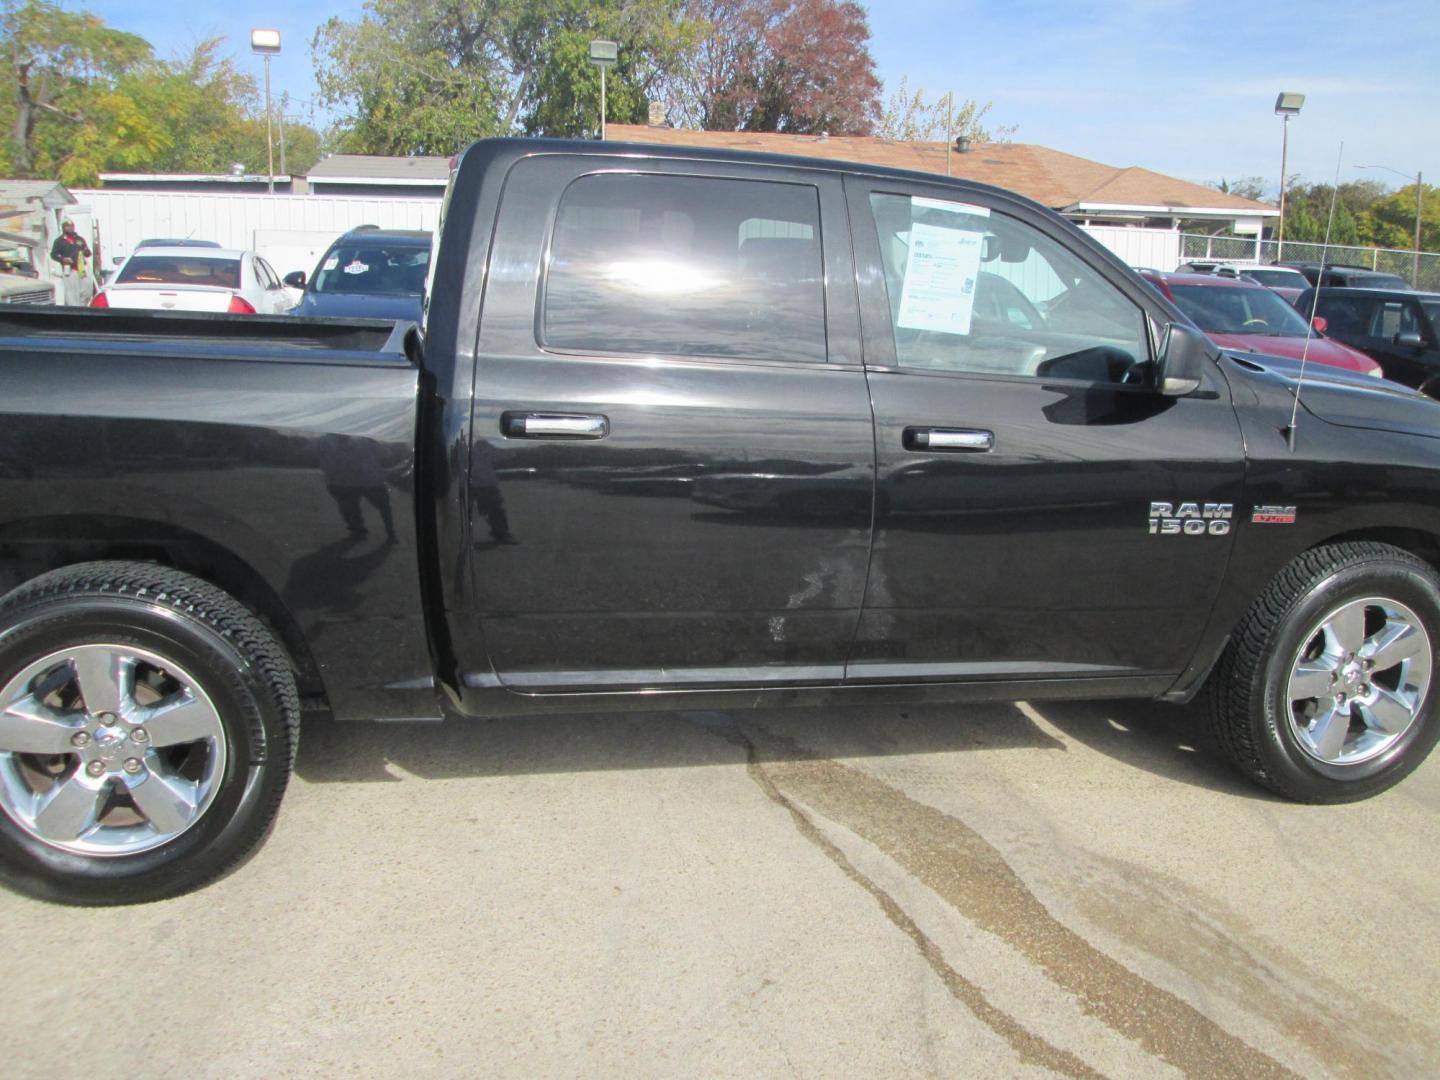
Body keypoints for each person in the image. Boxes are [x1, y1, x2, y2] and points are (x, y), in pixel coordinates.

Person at [50, 220, 91, 306]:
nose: (70, 228)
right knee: (72, 294)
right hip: (70, 269)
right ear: (63, 228)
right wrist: (63, 259)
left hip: (82, 269)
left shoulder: (79, 239)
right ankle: (75, 310)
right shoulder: (59, 241)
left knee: (87, 291)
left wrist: (86, 251)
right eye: (67, 226)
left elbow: (88, 253)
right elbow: (53, 255)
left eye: (72, 226)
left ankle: (83, 306)